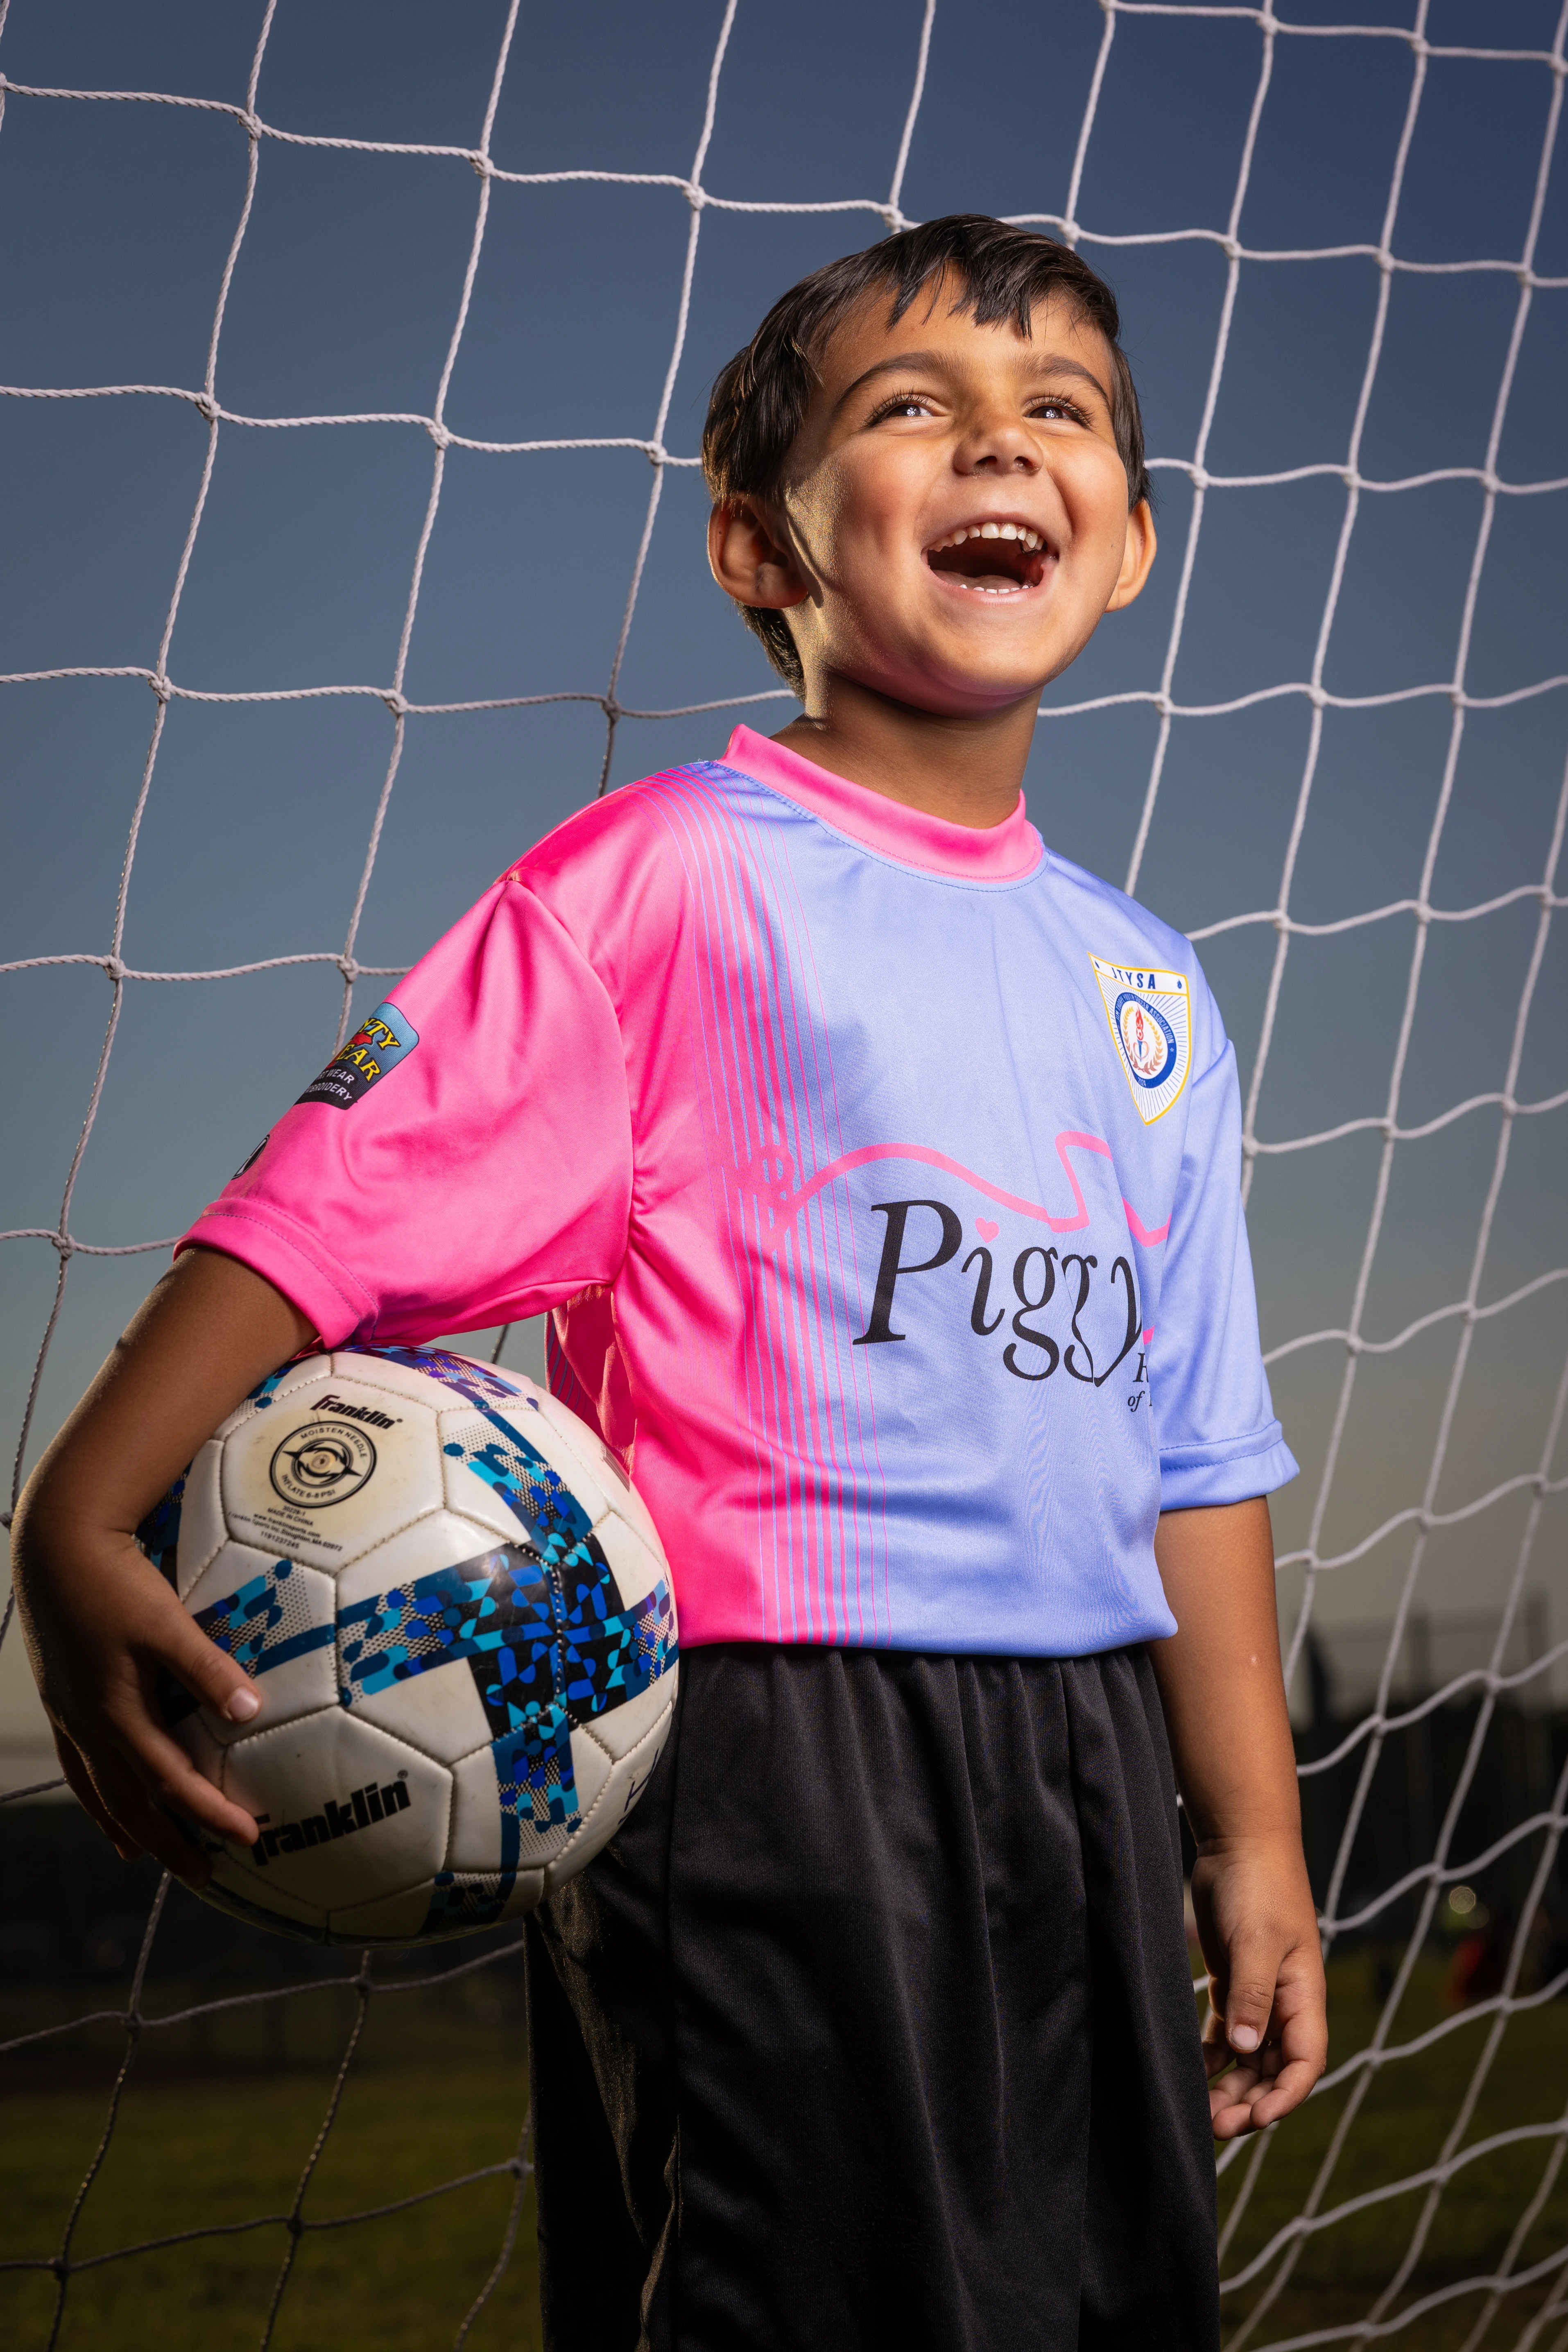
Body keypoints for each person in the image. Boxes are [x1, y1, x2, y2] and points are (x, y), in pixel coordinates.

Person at [12, 215, 1328, 2350]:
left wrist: (1249, 1833)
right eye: (917, 407)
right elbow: (347, 1186)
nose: (1005, 442)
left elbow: (1199, 1447)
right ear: (759, 546)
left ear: (1134, 540)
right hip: (769, 1744)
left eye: (1060, 410)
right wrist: (85, 1506)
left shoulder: (1149, 985)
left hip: (1086, 1754)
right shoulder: (672, 883)